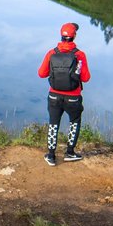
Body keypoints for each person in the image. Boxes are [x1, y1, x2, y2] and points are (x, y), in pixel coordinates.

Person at [37, 22, 91, 166]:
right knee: (74, 122)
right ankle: (70, 152)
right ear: (74, 36)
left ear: (61, 35)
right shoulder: (80, 55)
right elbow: (86, 78)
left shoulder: (51, 53)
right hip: (73, 97)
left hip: (54, 96)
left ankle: (51, 155)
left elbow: (41, 74)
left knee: (53, 123)